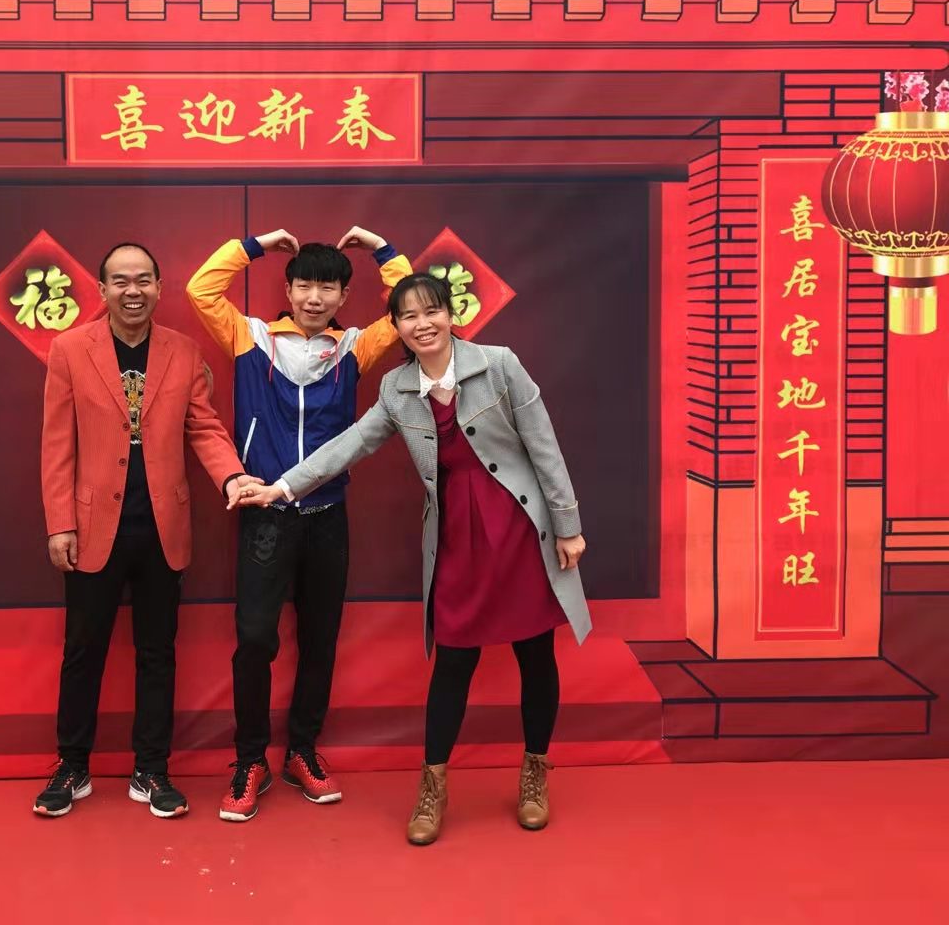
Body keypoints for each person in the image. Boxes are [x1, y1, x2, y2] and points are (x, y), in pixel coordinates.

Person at [231, 272, 589, 845]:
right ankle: (433, 786)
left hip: (519, 528)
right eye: (409, 316)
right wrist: (282, 487)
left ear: (451, 315)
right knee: (453, 662)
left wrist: (567, 527)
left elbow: (544, 446)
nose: (423, 324)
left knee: (535, 655)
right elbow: (349, 445)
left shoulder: (499, 364)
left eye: (432, 312)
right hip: (457, 536)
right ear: (395, 327)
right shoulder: (397, 388)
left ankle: (534, 776)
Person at [187, 226, 411, 821]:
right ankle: (249, 760)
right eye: (305, 285)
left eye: (328, 288)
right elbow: (201, 289)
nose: (315, 297)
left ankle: (302, 752)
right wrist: (255, 245)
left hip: (328, 516)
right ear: (287, 290)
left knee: (320, 639)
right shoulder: (251, 336)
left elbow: (410, 303)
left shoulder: (356, 347)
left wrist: (382, 249)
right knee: (255, 641)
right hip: (265, 513)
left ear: (344, 296)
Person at [36, 243, 259, 819]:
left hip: (163, 525)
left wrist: (232, 475)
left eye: (142, 280)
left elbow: (203, 427)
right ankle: (71, 767)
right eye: (120, 281)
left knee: (157, 653)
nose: (131, 291)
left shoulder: (183, 351)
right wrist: (60, 523)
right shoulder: (70, 350)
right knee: (82, 651)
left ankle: (151, 770)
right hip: (92, 525)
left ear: (159, 287)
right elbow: (57, 444)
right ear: (102, 290)